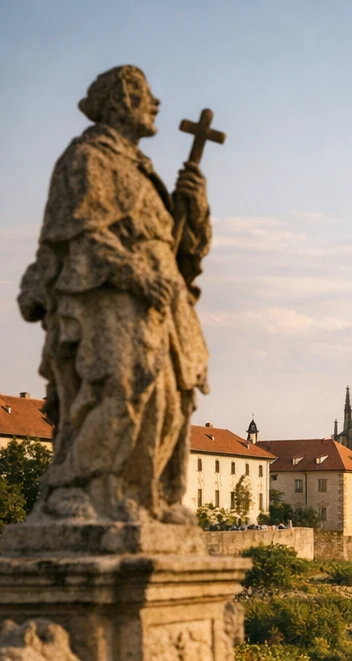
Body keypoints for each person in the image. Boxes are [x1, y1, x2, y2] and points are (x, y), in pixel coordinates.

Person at [17, 65, 211, 527]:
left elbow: (182, 252)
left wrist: (194, 207)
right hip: (107, 297)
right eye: (145, 94)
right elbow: (80, 233)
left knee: (170, 399)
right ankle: (72, 488)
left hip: (160, 302)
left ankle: (143, 495)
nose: (156, 104)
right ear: (119, 103)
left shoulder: (140, 172)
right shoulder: (89, 158)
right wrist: (136, 274)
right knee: (121, 389)